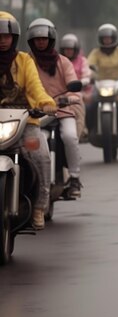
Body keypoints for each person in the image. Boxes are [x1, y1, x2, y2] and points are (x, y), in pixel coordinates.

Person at [0, 12, 57, 229]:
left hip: (24, 123)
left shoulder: (24, 60)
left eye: (6, 36)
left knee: (41, 156)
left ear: (13, 37)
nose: (2, 40)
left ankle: (40, 207)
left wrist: (45, 103)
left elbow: (36, 87)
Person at [27, 18, 83, 200]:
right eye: (37, 39)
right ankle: (28, 178)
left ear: (51, 39)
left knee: (70, 136)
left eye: (44, 38)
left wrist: (68, 98)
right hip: (37, 112)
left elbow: (76, 91)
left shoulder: (63, 62)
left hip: (62, 110)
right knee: (32, 144)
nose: (41, 42)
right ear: (31, 41)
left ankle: (74, 178)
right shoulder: (27, 62)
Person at [86, 23, 118, 142]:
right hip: (100, 86)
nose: (107, 41)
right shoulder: (95, 52)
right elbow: (88, 66)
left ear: (114, 38)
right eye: (105, 38)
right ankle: (89, 129)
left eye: (109, 38)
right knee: (89, 107)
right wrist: (89, 76)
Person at [59, 33, 91, 138]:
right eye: (66, 49)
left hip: (79, 90)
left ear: (75, 50)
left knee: (81, 100)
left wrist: (81, 83)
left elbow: (86, 75)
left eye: (71, 49)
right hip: (60, 91)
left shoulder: (82, 60)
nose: (68, 51)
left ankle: (82, 127)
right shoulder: (58, 61)